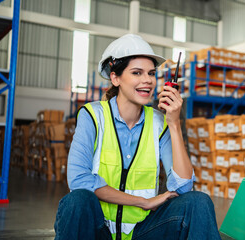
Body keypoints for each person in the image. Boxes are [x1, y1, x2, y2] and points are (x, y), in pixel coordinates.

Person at [54, 34, 221, 240]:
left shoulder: (159, 123)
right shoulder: (93, 116)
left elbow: (184, 187)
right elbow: (79, 180)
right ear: (115, 78)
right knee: (76, 202)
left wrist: (174, 124)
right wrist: (142, 202)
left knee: (198, 202)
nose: (147, 80)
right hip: (99, 231)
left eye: (151, 73)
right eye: (137, 73)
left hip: (140, 232)